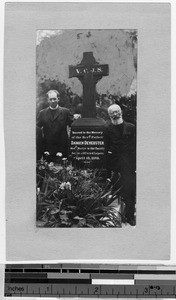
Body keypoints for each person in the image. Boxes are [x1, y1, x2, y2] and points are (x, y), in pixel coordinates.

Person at [104, 104, 136, 226]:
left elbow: (135, 148)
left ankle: (129, 216)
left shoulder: (131, 127)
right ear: (109, 115)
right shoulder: (107, 129)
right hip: (114, 165)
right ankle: (116, 218)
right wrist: (109, 168)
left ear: (121, 112)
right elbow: (106, 148)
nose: (115, 114)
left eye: (117, 111)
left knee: (130, 191)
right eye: (112, 112)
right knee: (116, 192)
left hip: (128, 166)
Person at [37, 90, 73, 161]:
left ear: (58, 99)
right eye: (50, 99)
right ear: (48, 100)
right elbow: (37, 129)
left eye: (54, 99)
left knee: (63, 171)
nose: (53, 101)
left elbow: (73, 127)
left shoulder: (66, 112)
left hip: (62, 148)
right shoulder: (42, 113)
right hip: (47, 149)